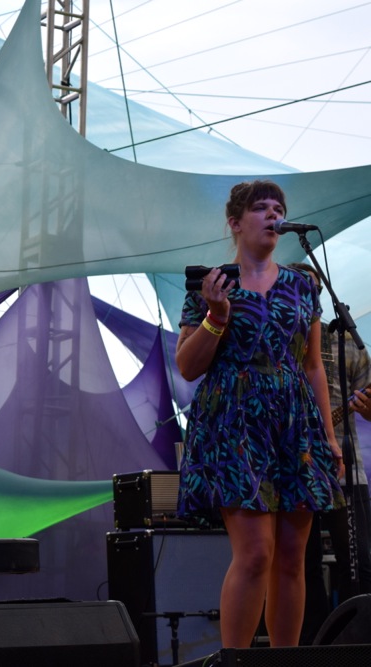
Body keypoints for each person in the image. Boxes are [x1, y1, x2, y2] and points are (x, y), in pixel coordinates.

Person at [175, 179, 344, 648]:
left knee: (293, 557)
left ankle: (284, 660)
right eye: (261, 208)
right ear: (236, 222)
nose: (273, 215)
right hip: (234, 423)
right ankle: (237, 659)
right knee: (255, 555)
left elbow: (312, 365)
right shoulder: (211, 284)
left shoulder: (301, 285)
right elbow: (188, 367)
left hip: (294, 424)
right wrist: (216, 316)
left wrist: (328, 438)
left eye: (278, 208)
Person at [290, 262, 371, 642]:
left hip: (344, 470)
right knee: (299, 566)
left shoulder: (347, 345)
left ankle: (355, 641)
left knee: (358, 562)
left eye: (315, 290)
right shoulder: (281, 337)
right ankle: (312, 646)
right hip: (294, 470)